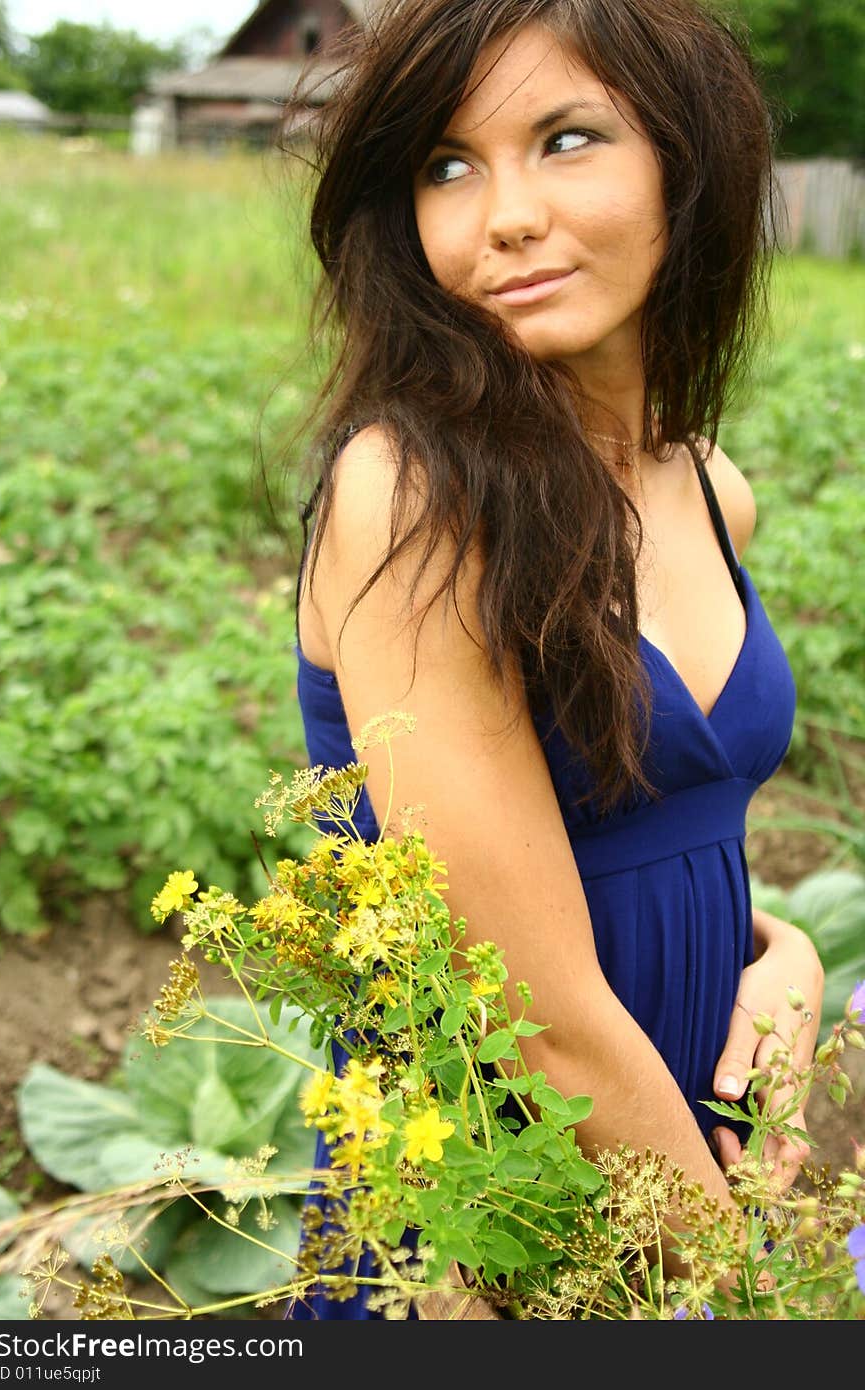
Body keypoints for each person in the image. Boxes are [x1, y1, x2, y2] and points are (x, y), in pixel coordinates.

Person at [280, 0, 824, 1319]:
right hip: (498, 1211)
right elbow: (545, 1024)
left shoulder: (707, 487)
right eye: (446, 164)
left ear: (684, 161)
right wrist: (747, 1287)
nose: (501, 215)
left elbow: (675, 836)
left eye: (567, 138)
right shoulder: (414, 496)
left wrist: (790, 964)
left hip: (690, 1146)